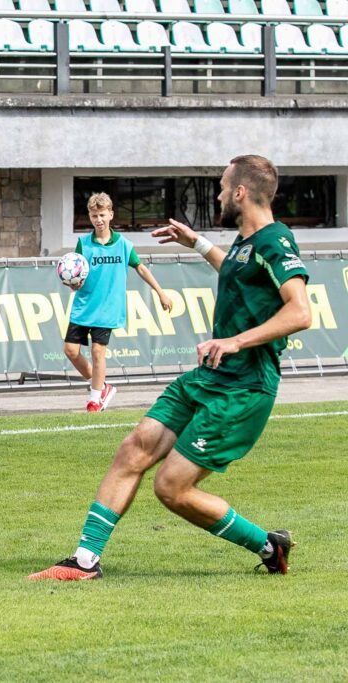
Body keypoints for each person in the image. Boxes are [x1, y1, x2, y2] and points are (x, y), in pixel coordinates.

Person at [30, 155, 311, 580]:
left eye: (221, 186)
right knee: (133, 449)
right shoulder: (246, 242)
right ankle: (84, 562)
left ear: (240, 192)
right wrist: (196, 242)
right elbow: (236, 272)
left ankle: (269, 546)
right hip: (210, 376)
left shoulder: (275, 241)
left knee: (171, 488)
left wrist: (234, 340)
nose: (216, 194)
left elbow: (301, 312)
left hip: (244, 388)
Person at [64, 193, 173, 412]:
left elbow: (140, 268)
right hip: (83, 306)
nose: (99, 220)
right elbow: (75, 270)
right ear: (90, 216)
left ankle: (95, 399)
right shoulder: (83, 244)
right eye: (94, 215)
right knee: (70, 351)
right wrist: (72, 284)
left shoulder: (123, 245)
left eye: (102, 215)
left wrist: (161, 292)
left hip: (107, 309)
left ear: (111, 214)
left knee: (97, 352)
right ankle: (101, 386)